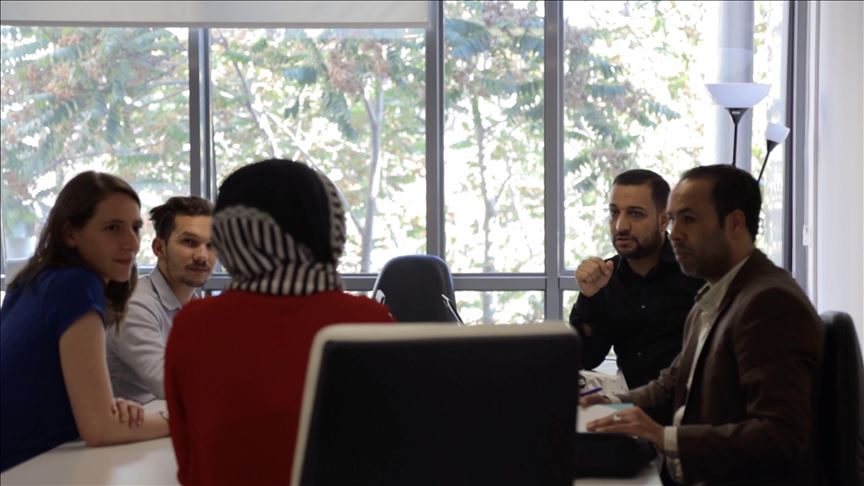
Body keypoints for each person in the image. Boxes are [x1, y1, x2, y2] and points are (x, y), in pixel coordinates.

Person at [583, 165, 824, 485]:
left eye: (689, 219)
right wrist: (612, 404)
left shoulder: (769, 302)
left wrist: (663, 436)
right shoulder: (714, 294)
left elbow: (781, 435)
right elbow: (672, 382)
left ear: (735, 223)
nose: (675, 234)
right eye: (674, 220)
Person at [164, 159, 394, 485]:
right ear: (332, 229)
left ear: (228, 236)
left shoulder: (193, 325)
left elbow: (190, 463)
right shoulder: (371, 322)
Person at [1, 172, 169, 472]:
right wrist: (177, 420)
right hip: (26, 470)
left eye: (135, 227)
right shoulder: (77, 284)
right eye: (112, 228)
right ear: (70, 234)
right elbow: (99, 429)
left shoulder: (29, 282)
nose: (131, 243)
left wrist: (110, 409)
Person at [570, 169, 702, 388]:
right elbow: (585, 358)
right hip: (631, 402)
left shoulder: (696, 271)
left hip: (692, 405)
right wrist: (589, 297)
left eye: (635, 214)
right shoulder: (606, 276)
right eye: (614, 213)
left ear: (663, 220)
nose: (621, 226)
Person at [106, 196, 215, 404]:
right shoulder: (136, 305)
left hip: (172, 416)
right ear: (159, 248)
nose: (202, 256)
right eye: (190, 242)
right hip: (139, 421)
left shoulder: (197, 308)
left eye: (211, 245)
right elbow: (173, 386)